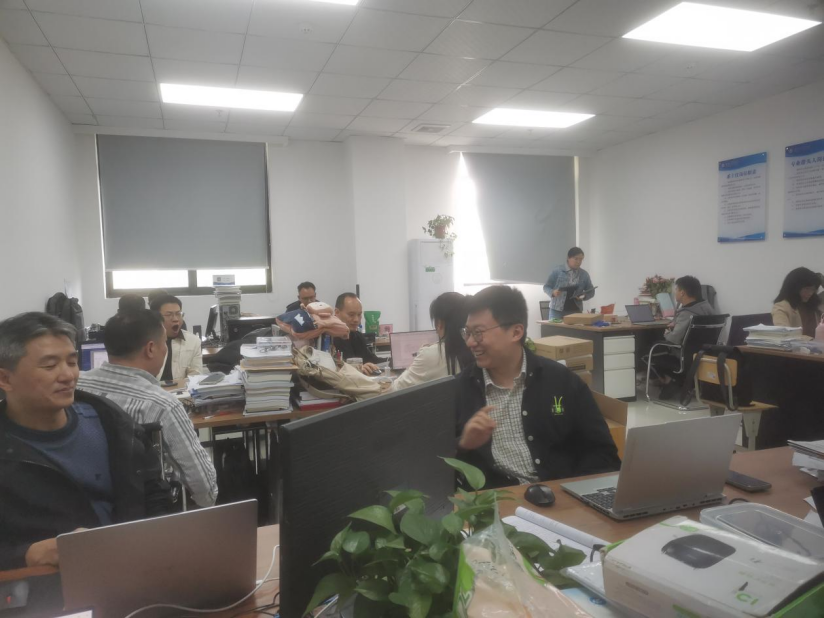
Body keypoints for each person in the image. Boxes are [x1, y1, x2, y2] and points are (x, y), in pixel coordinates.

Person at [0, 312, 169, 570]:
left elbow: (154, 494)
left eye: (72, 362)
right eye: (49, 366)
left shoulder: (110, 421)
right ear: (5, 379)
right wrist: (28, 555)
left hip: (134, 567)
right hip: (46, 582)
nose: (68, 375)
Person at [455, 285, 620, 489]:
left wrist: (572, 493)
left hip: (560, 497)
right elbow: (433, 468)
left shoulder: (562, 381)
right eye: (467, 333)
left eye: (478, 333)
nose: (470, 343)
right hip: (495, 501)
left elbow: (603, 453)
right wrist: (463, 444)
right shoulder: (459, 390)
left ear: (516, 332)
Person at [77, 310, 218, 507]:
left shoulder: (75, 385)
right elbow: (204, 488)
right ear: (151, 349)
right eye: (164, 344)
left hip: (81, 505)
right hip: (140, 513)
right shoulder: (162, 405)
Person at [391, 292, 474, 391]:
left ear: (439, 323)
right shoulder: (476, 348)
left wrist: (421, 356)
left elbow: (396, 388)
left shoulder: (430, 354)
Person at [149, 294, 205, 380]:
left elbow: (196, 376)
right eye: (169, 315)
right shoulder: (145, 341)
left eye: (178, 314)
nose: (175, 319)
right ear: (156, 318)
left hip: (182, 388)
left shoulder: (193, 341)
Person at [333, 293, 383, 375]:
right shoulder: (329, 338)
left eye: (359, 315)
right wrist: (358, 369)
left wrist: (394, 360)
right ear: (337, 312)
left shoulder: (357, 336)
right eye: (351, 315)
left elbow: (372, 360)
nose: (356, 319)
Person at [543, 247, 596, 319]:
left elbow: (591, 291)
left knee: (577, 327)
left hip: (576, 311)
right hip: (557, 311)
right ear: (568, 258)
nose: (578, 262)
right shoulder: (558, 271)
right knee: (555, 327)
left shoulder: (584, 274)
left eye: (581, 259)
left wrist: (584, 296)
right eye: (576, 259)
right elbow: (546, 287)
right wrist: (553, 292)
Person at [772, 267, 822, 338]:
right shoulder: (782, 307)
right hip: (799, 345)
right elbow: (785, 334)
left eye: (813, 289)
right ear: (794, 287)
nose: (810, 293)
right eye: (807, 289)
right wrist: (813, 341)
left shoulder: (814, 305)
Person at [664, 276, 715, 345]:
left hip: (686, 350)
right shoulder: (708, 308)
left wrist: (667, 333)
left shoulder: (686, 314)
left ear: (682, 293)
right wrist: (677, 322)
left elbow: (674, 339)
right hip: (706, 349)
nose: (675, 292)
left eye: (676, 289)